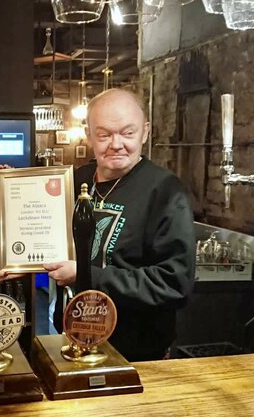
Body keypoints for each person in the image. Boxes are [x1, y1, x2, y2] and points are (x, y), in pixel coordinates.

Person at [42, 88, 195, 362]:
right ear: (89, 135)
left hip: (136, 351)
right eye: (104, 135)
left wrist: (87, 276)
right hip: (70, 338)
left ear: (145, 132)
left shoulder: (165, 191)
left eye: (128, 133)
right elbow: (47, 237)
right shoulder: (75, 180)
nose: (116, 144)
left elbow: (175, 283)